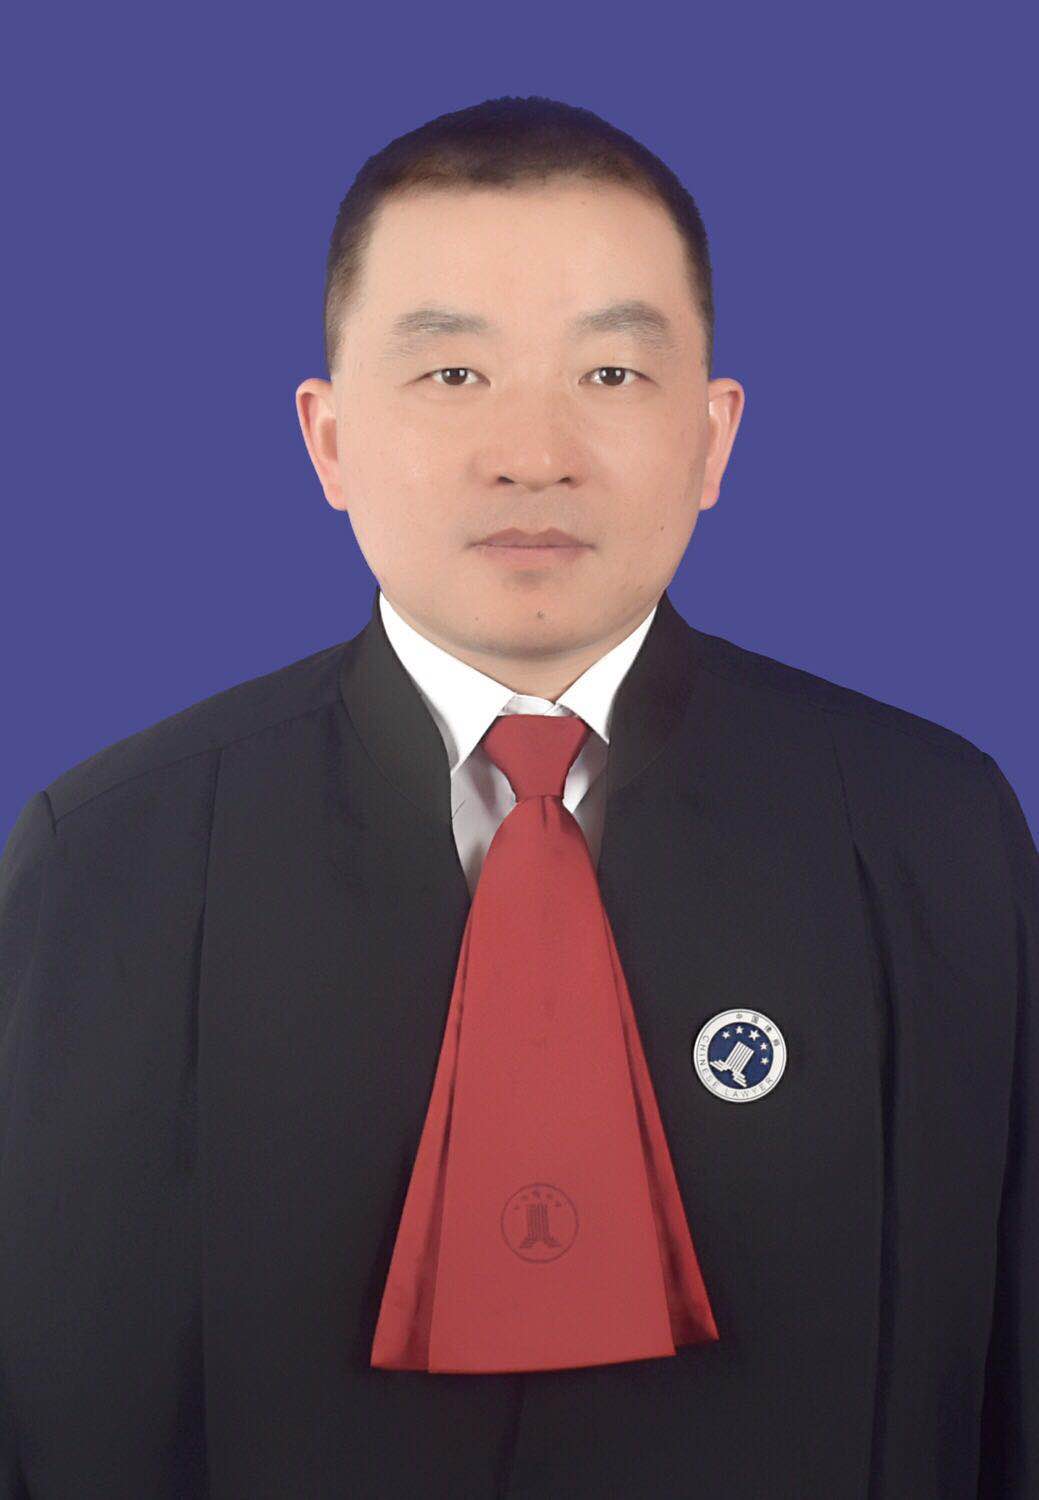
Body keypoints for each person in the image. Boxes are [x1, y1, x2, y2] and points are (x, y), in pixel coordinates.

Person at [0, 94, 1034, 1500]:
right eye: (452, 374)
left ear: (714, 438)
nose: (533, 453)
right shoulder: (112, 861)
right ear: (327, 441)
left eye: (611, 373)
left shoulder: (928, 833)